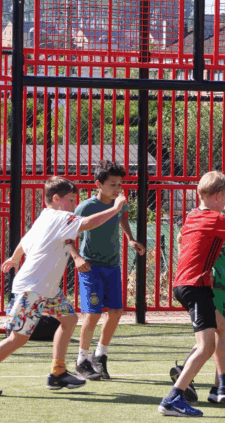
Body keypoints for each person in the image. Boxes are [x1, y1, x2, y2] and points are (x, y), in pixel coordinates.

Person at [0, 176, 127, 396]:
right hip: (33, 288)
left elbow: (25, 240)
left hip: (47, 289)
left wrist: (14, 257)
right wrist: (116, 208)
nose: (72, 204)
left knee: (69, 319)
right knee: (18, 338)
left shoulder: (45, 217)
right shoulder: (60, 216)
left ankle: (58, 372)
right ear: (56, 199)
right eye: (69, 199)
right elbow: (88, 223)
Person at [158, 172, 225, 417]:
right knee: (206, 347)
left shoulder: (193, 214)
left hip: (190, 285)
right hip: (195, 287)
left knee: (222, 327)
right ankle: (173, 398)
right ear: (219, 196)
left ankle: (217, 383)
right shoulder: (216, 219)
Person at [74, 160, 145, 381]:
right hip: (90, 266)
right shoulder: (86, 208)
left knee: (116, 312)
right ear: (98, 184)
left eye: (120, 184)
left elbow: (121, 216)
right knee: (93, 313)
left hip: (112, 265)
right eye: (113, 184)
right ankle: (81, 360)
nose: (117, 188)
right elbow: (67, 236)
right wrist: (76, 257)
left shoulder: (119, 205)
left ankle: (100, 355)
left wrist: (131, 239)